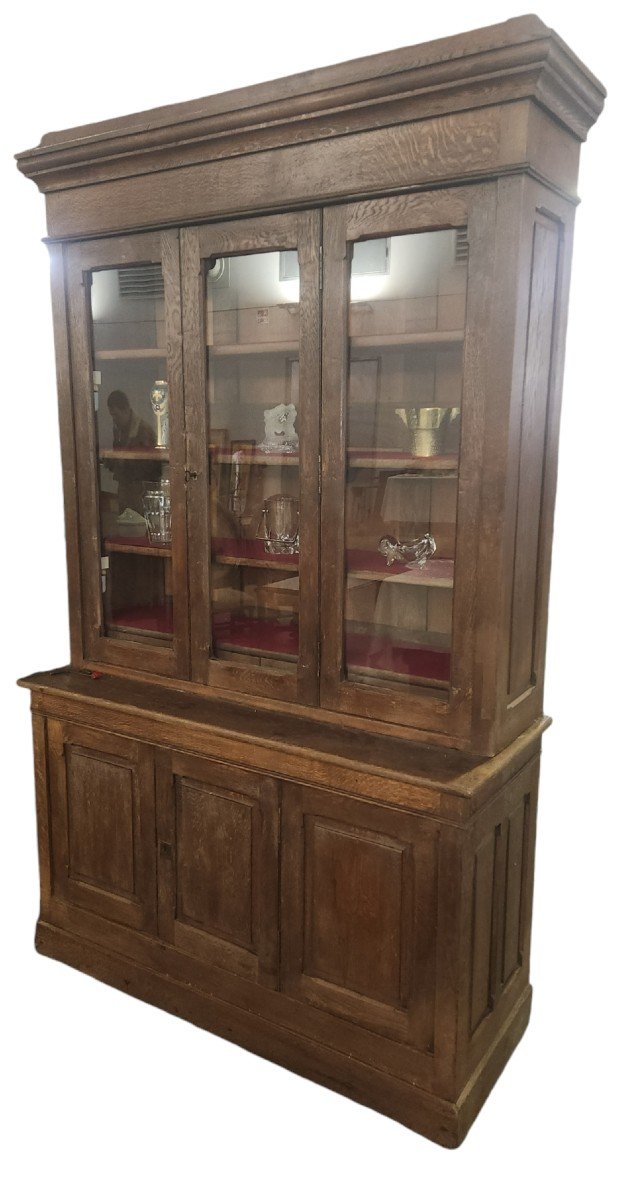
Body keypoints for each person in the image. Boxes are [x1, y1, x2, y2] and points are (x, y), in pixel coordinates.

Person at [105, 390, 160, 513]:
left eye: (116, 415)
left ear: (125, 410)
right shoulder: (119, 429)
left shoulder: (144, 431)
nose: (114, 419)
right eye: (112, 415)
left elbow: (150, 469)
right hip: (125, 489)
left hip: (140, 492)